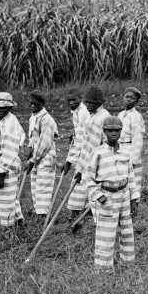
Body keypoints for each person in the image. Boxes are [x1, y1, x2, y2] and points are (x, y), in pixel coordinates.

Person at [90, 115, 137, 270]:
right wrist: (99, 196)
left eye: (117, 130)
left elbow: (130, 175)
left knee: (127, 230)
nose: (113, 134)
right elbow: (87, 178)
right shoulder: (98, 153)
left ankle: (128, 263)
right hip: (107, 195)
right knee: (106, 233)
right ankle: (103, 268)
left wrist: (134, 198)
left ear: (121, 131)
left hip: (124, 194)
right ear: (104, 131)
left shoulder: (125, 152)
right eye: (110, 131)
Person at [72, 85, 111, 229]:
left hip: (98, 162)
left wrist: (81, 169)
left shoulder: (98, 119)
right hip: (103, 160)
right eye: (86, 102)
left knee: (97, 194)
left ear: (99, 102)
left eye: (91, 103)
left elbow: (91, 147)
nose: (88, 105)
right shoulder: (97, 115)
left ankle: (100, 226)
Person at [0, 92, 25, 229]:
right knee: (12, 196)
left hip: (8, 164)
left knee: (4, 197)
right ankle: (19, 222)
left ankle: (8, 228)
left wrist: (1, 174)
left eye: (1, 107)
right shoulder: (6, 120)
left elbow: (10, 149)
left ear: (9, 108)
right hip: (8, 161)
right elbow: (22, 136)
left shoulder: (9, 124)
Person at [24, 91, 58, 217]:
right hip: (35, 156)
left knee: (43, 187)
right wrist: (30, 153)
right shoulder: (32, 117)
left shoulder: (47, 119)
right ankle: (37, 210)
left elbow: (44, 143)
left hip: (46, 156)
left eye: (36, 104)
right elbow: (32, 138)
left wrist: (33, 160)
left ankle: (42, 215)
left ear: (42, 104)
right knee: (35, 186)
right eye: (31, 103)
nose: (33, 106)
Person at [61, 87, 89, 220]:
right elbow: (78, 134)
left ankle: (77, 214)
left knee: (79, 180)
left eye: (74, 100)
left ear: (81, 99)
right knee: (82, 181)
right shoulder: (76, 112)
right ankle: (80, 213)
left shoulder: (84, 112)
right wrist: (73, 135)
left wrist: (69, 162)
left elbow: (82, 140)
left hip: (88, 150)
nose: (71, 102)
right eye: (68, 100)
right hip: (82, 148)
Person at [118, 87, 146, 214]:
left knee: (133, 180)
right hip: (120, 149)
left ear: (136, 102)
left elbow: (137, 138)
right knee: (122, 178)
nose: (128, 99)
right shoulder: (121, 114)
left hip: (130, 150)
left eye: (132, 98)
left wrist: (133, 159)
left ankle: (134, 207)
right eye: (127, 96)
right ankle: (123, 207)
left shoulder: (135, 116)